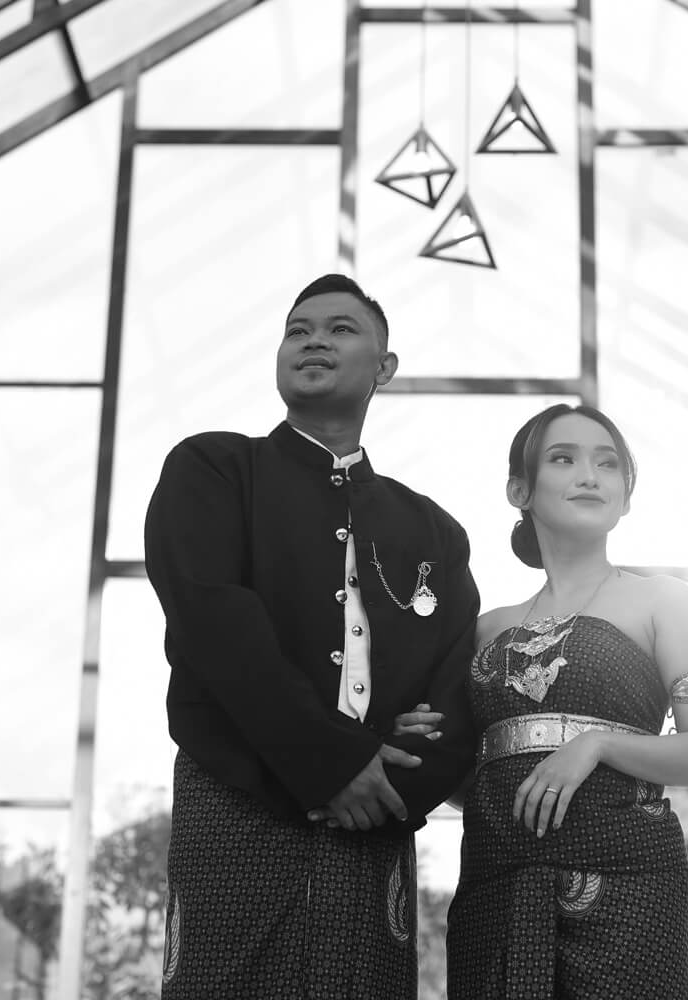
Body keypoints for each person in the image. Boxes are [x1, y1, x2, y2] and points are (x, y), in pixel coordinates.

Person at [143, 274, 480, 999]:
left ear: (384, 368)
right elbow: (217, 627)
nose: (313, 340)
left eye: (339, 329)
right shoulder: (214, 469)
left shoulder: (433, 530)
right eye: (298, 330)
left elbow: (454, 690)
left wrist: (389, 785)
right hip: (237, 802)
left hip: (377, 819)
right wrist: (333, 763)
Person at [443, 403, 688, 1000]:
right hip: (495, 887)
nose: (589, 476)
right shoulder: (485, 629)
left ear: (625, 497)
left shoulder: (663, 602)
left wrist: (595, 745)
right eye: (563, 459)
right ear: (519, 490)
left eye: (607, 464)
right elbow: (463, 773)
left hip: (628, 885)